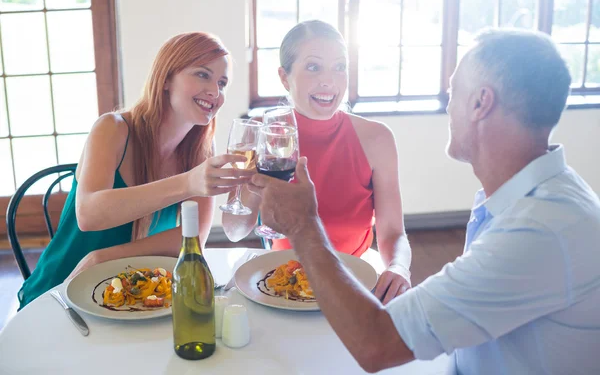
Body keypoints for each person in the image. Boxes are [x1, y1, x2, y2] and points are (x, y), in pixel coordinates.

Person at [248, 28, 600, 374]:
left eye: (453, 91)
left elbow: (376, 343)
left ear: (480, 103)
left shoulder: (540, 230)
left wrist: (304, 225)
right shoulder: (530, 204)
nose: (448, 104)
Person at [18, 32, 253, 308]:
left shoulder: (201, 150)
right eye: (202, 75)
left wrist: (105, 258)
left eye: (222, 83)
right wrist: (188, 183)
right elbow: (89, 214)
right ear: (166, 79)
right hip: (63, 291)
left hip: (134, 295)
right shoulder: (112, 128)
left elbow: (193, 240)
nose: (215, 91)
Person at [223, 20, 412, 303]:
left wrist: (399, 267)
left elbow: (394, 233)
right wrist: (252, 179)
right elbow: (233, 231)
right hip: (283, 283)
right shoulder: (262, 132)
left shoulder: (377, 139)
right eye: (313, 67)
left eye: (340, 67)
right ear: (284, 78)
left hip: (355, 280)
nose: (329, 81)